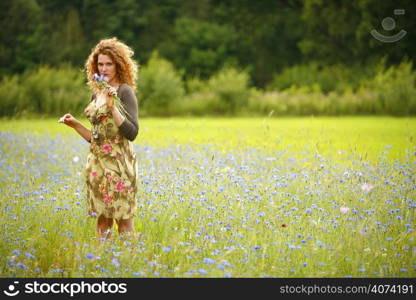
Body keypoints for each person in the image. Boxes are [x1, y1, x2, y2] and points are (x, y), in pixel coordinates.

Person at [58, 37, 139, 241]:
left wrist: (113, 108)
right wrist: (75, 124)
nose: (104, 68)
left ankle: (128, 264)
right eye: (100, 64)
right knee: (102, 221)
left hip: (119, 166)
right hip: (97, 165)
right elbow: (96, 139)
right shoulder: (96, 95)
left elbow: (132, 133)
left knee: (123, 220)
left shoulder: (124, 92)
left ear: (119, 65)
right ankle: (102, 264)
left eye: (109, 64)